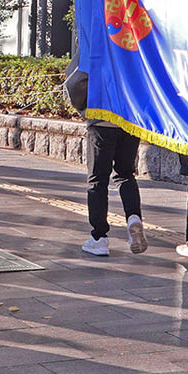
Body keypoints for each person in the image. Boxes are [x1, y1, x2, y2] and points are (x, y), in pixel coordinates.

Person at [64, 64, 147, 257]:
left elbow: (76, 80)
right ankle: (133, 217)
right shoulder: (135, 46)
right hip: (129, 119)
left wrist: (82, 107)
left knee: (98, 180)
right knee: (125, 174)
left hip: (101, 117)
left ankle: (99, 238)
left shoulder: (96, 45)